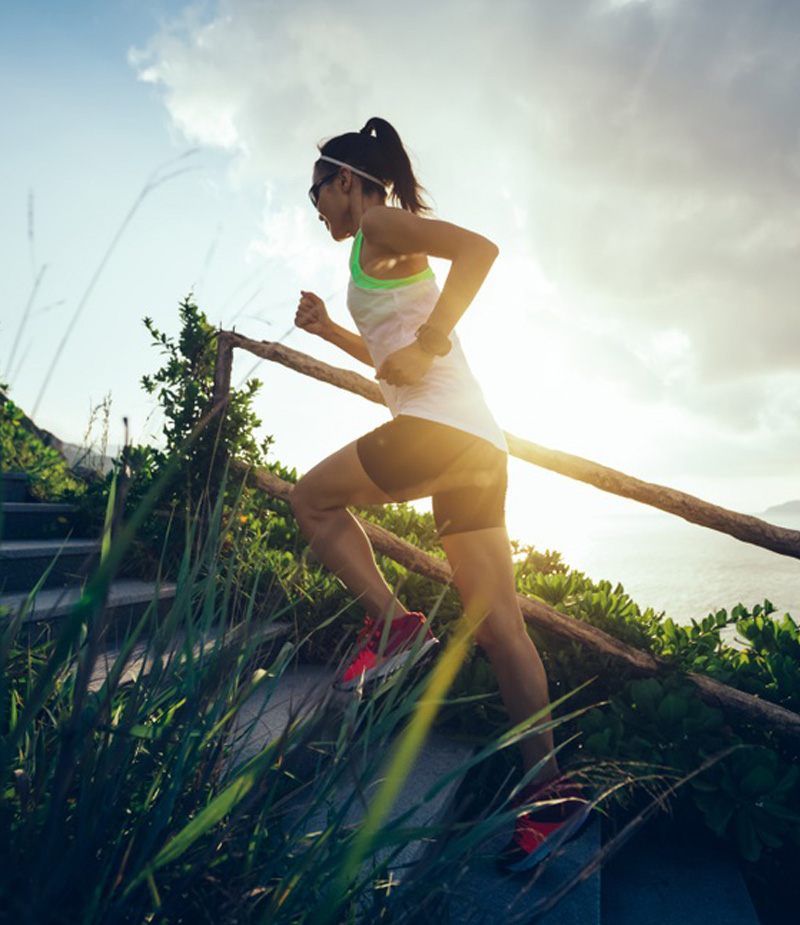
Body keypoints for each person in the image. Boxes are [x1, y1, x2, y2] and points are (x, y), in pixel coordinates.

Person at [289, 116, 590, 871]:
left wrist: (430, 341)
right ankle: (550, 795)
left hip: (440, 434)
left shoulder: (382, 222)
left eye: (316, 188)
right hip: (476, 446)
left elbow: (480, 252)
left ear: (347, 182)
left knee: (313, 499)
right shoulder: (371, 253)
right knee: (501, 629)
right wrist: (331, 330)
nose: (314, 203)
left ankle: (393, 626)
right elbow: (394, 367)